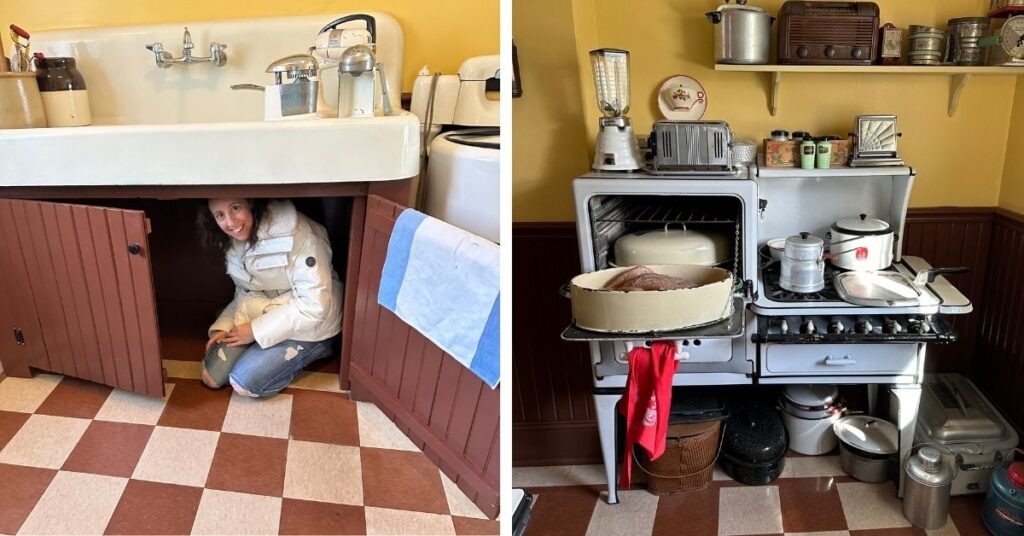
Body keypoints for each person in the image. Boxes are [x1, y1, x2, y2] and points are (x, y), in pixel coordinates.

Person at [196, 198, 343, 397]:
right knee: (211, 377)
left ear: (251, 203)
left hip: (311, 325)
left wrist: (255, 331)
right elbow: (245, 291)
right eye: (220, 215)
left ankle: (320, 348)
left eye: (235, 208)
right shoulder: (233, 239)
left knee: (243, 383)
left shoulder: (302, 235)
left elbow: (313, 306)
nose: (230, 223)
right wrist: (225, 325)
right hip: (265, 314)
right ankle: (263, 346)